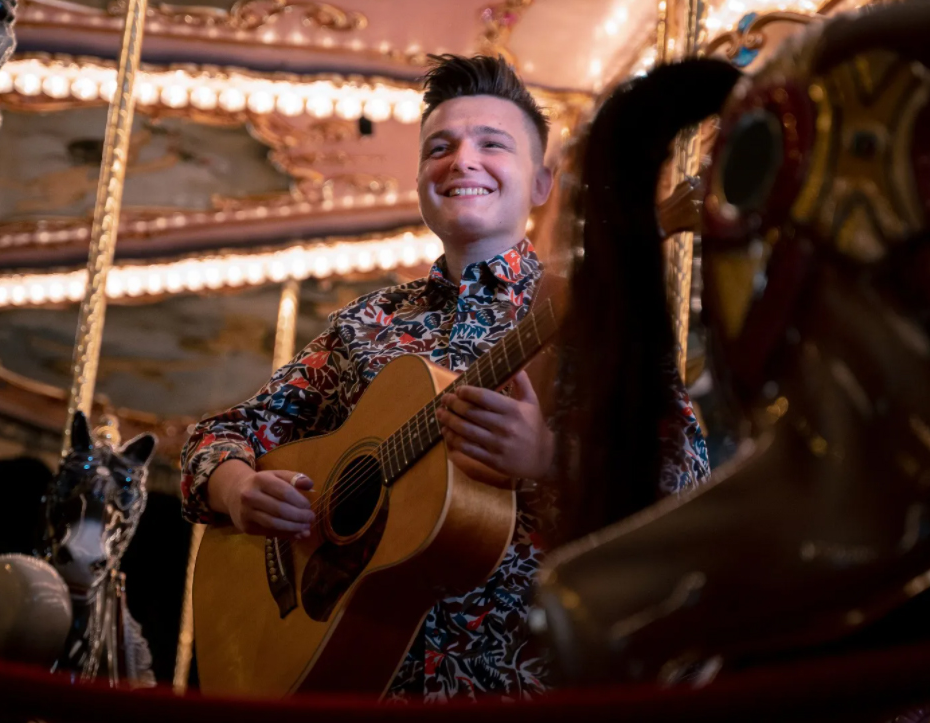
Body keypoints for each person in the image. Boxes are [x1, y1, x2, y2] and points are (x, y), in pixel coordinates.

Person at [180, 54, 709, 701]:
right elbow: (220, 433)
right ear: (421, 177)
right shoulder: (365, 324)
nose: (462, 160)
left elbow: (687, 482)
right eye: (440, 146)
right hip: (362, 685)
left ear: (542, 184)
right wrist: (238, 489)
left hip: (523, 683)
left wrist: (550, 455)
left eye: (493, 144)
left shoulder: (600, 320)